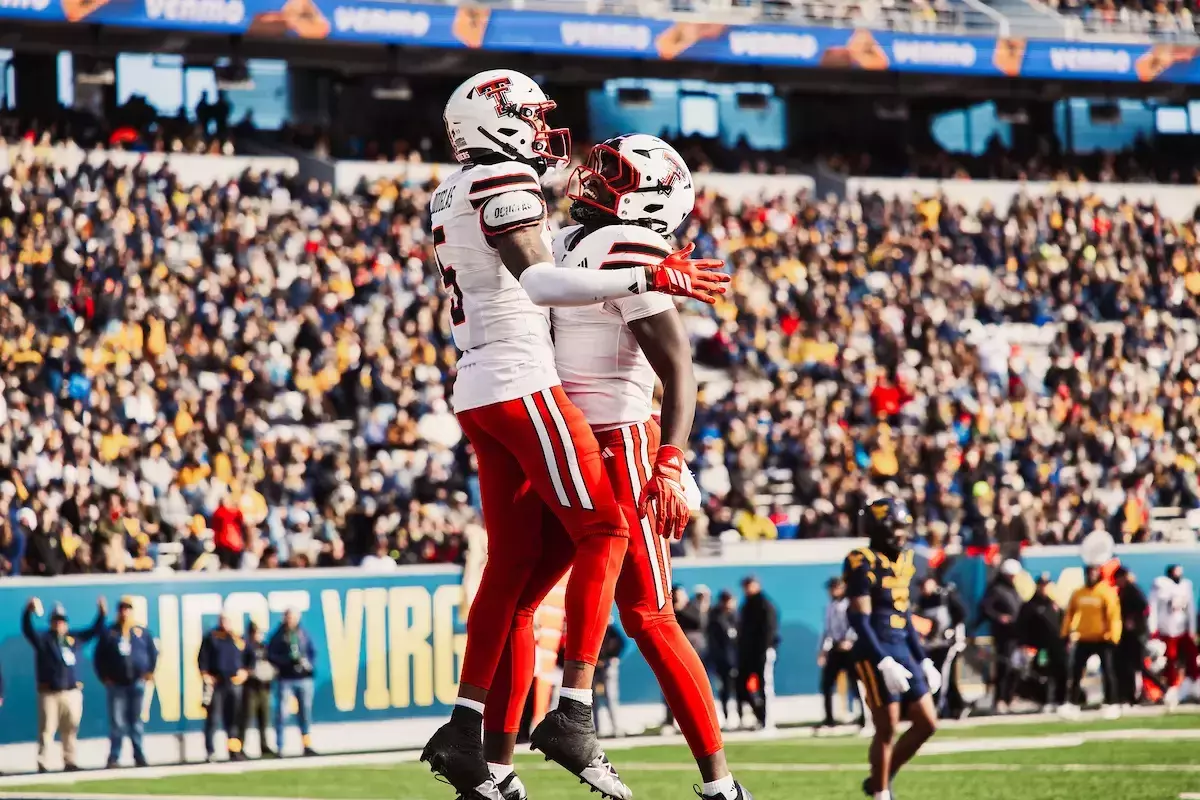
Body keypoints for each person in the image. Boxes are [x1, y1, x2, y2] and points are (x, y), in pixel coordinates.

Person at [420, 72, 728, 800]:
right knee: (609, 530)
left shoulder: (454, 188)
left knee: (512, 571)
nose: (540, 129)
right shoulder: (504, 178)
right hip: (524, 382)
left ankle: (472, 735)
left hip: (479, 383)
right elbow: (543, 286)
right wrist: (658, 272)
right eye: (528, 115)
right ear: (493, 121)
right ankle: (573, 711)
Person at [844, 498, 939, 800]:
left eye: (903, 527)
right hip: (876, 650)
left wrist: (922, 659)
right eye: (895, 527)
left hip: (902, 646)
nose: (901, 534)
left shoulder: (905, 561)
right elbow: (859, 618)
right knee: (888, 726)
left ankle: (879, 778)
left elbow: (904, 613)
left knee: (927, 723)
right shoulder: (862, 560)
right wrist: (882, 660)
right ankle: (881, 794)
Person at [23, 596, 107, 772]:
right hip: (50, 692)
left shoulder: (74, 639)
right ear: (51, 622)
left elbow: (94, 631)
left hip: (72, 692)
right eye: (56, 621)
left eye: (62, 621)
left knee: (71, 728)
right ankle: (43, 762)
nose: (59, 624)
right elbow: (28, 630)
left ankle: (70, 760)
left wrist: (101, 614)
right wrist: (28, 612)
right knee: (47, 730)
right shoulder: (44, 640)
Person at [94, 596, 158, 767]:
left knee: (136, 721)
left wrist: (149, 672)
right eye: (122, 609)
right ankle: (114, 756)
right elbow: (99, 657)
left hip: (136, 682)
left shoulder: (141, 632)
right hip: (117, 684)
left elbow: (152, 652)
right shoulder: (110, 632)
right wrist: (104, 676)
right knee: (117, 722)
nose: (125, 612)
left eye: (128, 609)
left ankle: (139, 754)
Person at [1062, 564, 1121, 717]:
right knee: (1075, 671)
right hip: (1084, 637)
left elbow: (1113, 615)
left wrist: (1113, 636)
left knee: (1108, 671)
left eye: (1094, 572)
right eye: (1089, 572)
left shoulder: (1106, 592)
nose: (1091, 575)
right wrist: (1065, 633)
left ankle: (1111, 703)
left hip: (1103, 638)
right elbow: (1070, 613)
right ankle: (1072, 703)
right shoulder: (1079, 593)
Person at [914, 576, 967, 718]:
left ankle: (938, 707)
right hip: (933, 643)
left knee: (943, 674)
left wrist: (952, 630)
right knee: (939, 675)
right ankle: (956, 705)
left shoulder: (945, 596)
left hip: (948, 643)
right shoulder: (922, 601)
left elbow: (961, 614)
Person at [198, 613, 247, 762]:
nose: (225, 623)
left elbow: (249, 656)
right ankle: (210, 751)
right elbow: (202, 658)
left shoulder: (237, 638)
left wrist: (245, 672)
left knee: (233, 719)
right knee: (213, 718)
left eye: (227, 620)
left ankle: (233, 750)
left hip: (233, 683)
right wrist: (206, 675)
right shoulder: (212, 637)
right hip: (217, 683)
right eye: (223, 620)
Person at [267, 609, 317, 756]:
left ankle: (306, 744)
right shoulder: (278, 635)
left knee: (305, 713)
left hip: (303, 678)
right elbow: (271, 655)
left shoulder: (302, 633)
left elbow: (312, 652)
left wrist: (308, 664)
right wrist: (287, 662)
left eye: (294, 617)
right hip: (286, 678)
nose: (291, 620)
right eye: (289, 617)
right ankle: (280, 746)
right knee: (282, 713)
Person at [1015, 573, 1067, 711]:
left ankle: (1060, 700)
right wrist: (1024, 645)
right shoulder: (1030, 606)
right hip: (1040, 647)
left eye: (1046, 585)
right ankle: (1045, 701)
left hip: (1057, 646)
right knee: (1043, 673)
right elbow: (1022, 627)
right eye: (1042, 585)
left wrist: (1066, 641)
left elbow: (1063, 623)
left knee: (1060, 672)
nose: (1044, 588)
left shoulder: (1054, 605)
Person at [1149, 564, 1198, 706]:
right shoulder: (1161, 585)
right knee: (1169, 660)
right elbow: (1153, 607)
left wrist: (1192, 629)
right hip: (1167, 630)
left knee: (1191, 657)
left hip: (1182, 629)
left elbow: (1190, 609)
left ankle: (1192, 686)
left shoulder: (1186, 586)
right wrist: (1153, 628)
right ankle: (1170, 688)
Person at [980, 558, 1023, 713]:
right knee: (1003, 667)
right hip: (1003, 636)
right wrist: (1000, 617)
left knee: (1016, 667)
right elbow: (986, 608)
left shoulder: (1013, 590)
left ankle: (1010, 696)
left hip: (1015, 634)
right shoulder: (996, 589)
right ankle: (1000, 699)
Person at [818, 576, 863, 727]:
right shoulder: (830, 607)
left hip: (851, 648)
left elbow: (856, 624)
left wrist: (850, 640)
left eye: (836, 587)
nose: (832, 591)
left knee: (856, 683)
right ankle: (829, 719)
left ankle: (864, 717)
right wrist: (823, 650)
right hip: (835, 648)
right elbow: (827, 630)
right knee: (826, 684)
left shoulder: (849, 604)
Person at [1114, 567, 1161, 706]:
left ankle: (1162, 688)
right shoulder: (1123, 591)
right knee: (1129, 666)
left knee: (1139, 665)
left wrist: (1133, 620)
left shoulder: (1133, 589)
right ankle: (1129, 696)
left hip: (1137, 635)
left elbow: (1144, 607)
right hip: (1128, 636)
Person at [738, 575, 778, 734]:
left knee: (765, 686)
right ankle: (760, 717)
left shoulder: (765, 605)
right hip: (748, 654)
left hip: (763, 652)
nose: (747, 589)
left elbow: (769, 630)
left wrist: (764, 649)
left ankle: (768, 722)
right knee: (742, 686)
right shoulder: (746, 605)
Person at [240, 621, 276, 758]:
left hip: (264, 686)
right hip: (250, 686)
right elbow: (243, 664)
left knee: (264, 717)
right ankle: (239, 746)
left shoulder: (264, 647)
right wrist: (250, 671)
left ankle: (264, 745)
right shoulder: (246, 646)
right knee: (246, 718)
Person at [707, 590, 741, 730]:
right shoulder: (715, 618)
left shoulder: (737, 616)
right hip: (723, 660)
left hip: (738, 659)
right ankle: (726, 716)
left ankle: (740, 716)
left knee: (740, 689)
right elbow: (715, 642)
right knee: (725, 689)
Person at [593, 620, 626, 739]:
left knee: (611, 697)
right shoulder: (591, 628)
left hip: (607, 665)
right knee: (592, 700)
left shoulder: (611, 630)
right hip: (593, 666)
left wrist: (608, 658)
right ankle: (595, 729)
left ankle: (616, 727)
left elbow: (620, 643)